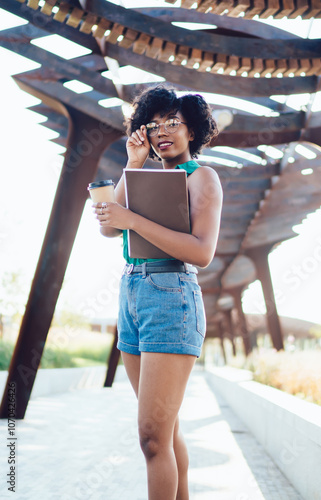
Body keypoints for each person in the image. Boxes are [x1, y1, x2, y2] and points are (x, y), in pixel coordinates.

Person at [92, 84, 223, 500]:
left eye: (172, 123)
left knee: (151, 437)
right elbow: (109, 227)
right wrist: (133, 164)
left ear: (192, 130)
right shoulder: (142, 174)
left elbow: (201, 253)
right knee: (166, 432)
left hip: (172, 294)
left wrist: (131, 218)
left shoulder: (202, 177)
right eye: (152, 124)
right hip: (132, 293)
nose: (162, 131)